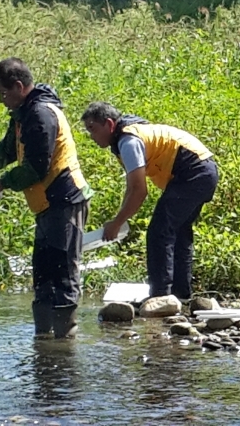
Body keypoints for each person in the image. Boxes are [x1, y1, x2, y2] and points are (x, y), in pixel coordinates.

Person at [0, 57, 92, 339]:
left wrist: (0, 183)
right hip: (46, 204)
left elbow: (36, 167)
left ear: (18, 86)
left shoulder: (41, 114)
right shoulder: (23, 113)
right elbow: (4, 152)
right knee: (43, 272)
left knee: (62, 271)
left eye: (2, 93)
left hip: (65, 200)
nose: (1, 100)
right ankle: (44, 338)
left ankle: (64, 339)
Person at [82, 102, 218, 301]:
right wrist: (117, 219)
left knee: (159, 232)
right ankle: (181, 295)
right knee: (179, 232)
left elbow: (139, 191)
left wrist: (117, 223)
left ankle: (160, 296)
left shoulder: (129, 142)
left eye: (93, 129)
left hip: (194, 172)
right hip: (203, 171)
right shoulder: (127, 136)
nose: (91, 137)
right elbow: (132, 189)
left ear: (110, 124)